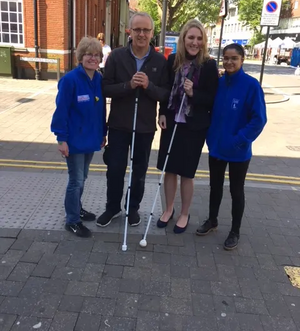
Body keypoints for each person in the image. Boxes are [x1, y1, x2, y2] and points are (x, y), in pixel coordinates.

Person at [96, 12, 169, 228]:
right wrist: (128, 85)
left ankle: (133, 208)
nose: (141, 34)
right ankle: (112, 208)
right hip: (119, 124)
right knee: (115, 169)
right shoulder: (117, 56)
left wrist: (149, 86)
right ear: (130, 31)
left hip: (145, 127)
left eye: (146, 30)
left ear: (152, 33)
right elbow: (106, 88)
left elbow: (165, 93)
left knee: (139, 171)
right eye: (137, 29)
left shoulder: (159, 61)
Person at [196, 43, 267, 250]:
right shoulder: (219, 83)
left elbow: (259, 120)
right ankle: (212, 220)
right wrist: (211, 137)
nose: (229, 62)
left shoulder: (251, 85)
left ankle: (235, 231)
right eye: (226, 58)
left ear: (242, 60)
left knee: (236, 191)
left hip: (238, 151)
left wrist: (240, 139)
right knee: (215, 187)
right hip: (217, 147)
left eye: (234, 58)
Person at [156, 19, 219, 234]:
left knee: (187, 173)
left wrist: (194, 94)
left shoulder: (208, 65)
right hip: (173, 121)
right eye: (191, 37)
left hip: (194, 127)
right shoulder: (173, 60)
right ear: (183, 38)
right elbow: (165, 90)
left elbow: (212, 99)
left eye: (199, 38)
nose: (195, 42)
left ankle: (184, 213)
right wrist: (162, 112)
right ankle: (168, 210)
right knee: (170, 170)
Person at [51, 37, 107, 238]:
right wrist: (61, 139)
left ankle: (77, 208)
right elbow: (61, 112)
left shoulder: (99, 79)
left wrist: (103, 133)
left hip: (91, 139)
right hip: (74, 141)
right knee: (76, 181)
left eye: (96, 55)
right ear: (80, 57)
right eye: (88, 54)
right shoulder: (70, 80)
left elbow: (100, 109)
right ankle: (72, 220)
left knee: (82, 178)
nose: (93, 58)